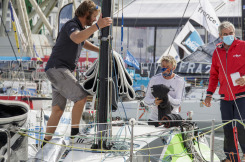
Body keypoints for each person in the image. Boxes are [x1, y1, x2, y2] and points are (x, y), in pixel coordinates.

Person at [43, 0, 112, 145]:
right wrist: (98, 25)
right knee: (81, 97)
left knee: (57, 110)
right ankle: (75, 136)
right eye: (94, 16)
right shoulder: (72, 25)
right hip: (58, 69)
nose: (94, 19)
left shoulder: (78, 28)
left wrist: (100, 50)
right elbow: (77, 38)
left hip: (55, 69)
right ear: (86, 13)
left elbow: (82, 40)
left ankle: (44, 143)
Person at [204, 21, 245, 162]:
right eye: (225, 34)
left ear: (234, 33)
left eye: (231, 33)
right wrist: (209, 94)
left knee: (241, 126)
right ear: (220, 36)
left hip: (242, 95)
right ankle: (231, 157)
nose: (229, 36)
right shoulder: (217, 51)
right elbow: (214, 75)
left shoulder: (243, 46)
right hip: (225, 97)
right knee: (227, 128)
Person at [144, 56, 185, 127]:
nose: (165, 69)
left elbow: (178, 102)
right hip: (154, 119)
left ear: (173, 67)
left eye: (168, 66)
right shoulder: (154, 79)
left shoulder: (179, 81)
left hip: (171, 119)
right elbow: (146, 100)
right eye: (163, 66)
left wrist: (166, 97)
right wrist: (154, 102)